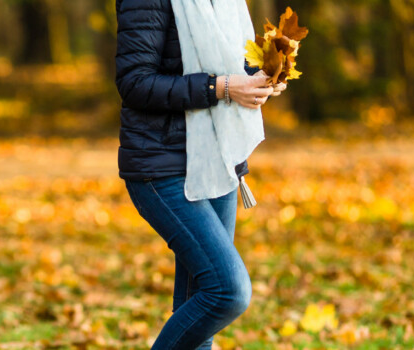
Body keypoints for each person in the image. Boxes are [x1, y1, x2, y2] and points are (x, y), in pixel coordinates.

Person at [114, 0, 286, 349]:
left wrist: (257, 82)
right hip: (162, 165)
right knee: (228, 291)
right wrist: (221, 87)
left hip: (217, 159)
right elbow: (134, 83)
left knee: (198, 320)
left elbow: (231, 64)